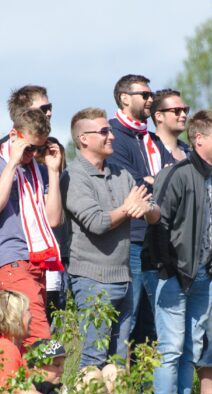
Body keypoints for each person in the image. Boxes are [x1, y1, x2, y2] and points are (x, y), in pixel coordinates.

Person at [143, 110, 212, 394]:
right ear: (199, 139)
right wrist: (167, 268)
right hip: (174, 274)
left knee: (191, 349)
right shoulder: (176, 174)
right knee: (170, 348)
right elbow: (158, 225)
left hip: (207, 276)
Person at [62, 107, 157, 370]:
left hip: (124, 278)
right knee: (94, 360)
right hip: (93, 281)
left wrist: (148, 208)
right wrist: (128, 208)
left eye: (111, 130)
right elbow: (97, 223)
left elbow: (153, 210)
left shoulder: (121, 173)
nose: (111, 136)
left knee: (117, 363)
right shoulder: (73, 177)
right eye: (104, 131)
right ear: (84, 139)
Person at [0, 108, 64, 348]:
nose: (32, 155)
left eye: (39, 149)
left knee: (18, 338)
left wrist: (53, 172)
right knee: (40, 337)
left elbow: (54, 219)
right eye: (29, 147)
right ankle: (48, 385)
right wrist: (13, 161)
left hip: (37, 261)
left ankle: (10, 384)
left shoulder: (39, 169)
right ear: (14, 135)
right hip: (11, 259)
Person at [107, 74, 173, 348]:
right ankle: (117, 385)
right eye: (144, 95)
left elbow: (175, 179)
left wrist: (153, 180)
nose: (151, 100)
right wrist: (157, 179)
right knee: (128, 317)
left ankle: (144, 390)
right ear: (124, 98)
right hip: (131, 238)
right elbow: (128, 184)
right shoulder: (111, 134)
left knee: (152, 323)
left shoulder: (153, 140)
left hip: (158, 237)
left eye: (151, 95)